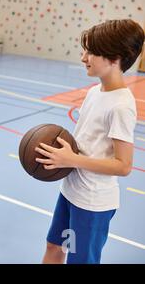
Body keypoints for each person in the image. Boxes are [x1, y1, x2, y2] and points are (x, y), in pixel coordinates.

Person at [36, 19, 144, 264]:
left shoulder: (121, 106)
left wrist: (72, 159)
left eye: (91, 52)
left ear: (114, 57)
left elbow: (123, 165)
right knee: (54, 246)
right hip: (71, 191)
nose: (84, 57)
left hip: (93, 203)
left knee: (80, 260)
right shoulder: (96, 91)